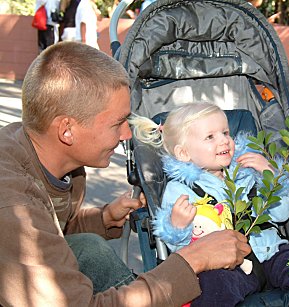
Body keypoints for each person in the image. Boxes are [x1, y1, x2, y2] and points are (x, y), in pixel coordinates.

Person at [0, 41, 252, 306]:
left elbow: (53, 230)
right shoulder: (13, 204)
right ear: (67, 131)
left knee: (89, 248)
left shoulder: (55, 160)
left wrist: (104, 218)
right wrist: (194, 259)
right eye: (118, 123)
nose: (127, 135)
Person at [129, 103, 289, 306]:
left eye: (226, 133)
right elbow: (182, 251)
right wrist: (177, 227)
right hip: (226, 266)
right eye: (210, 137)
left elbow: (281, 214)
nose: (223, 141)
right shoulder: (181, 191)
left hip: (271, 251)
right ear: (184, 153)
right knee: (212, 289)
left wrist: (270, 176)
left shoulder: (247, 171)